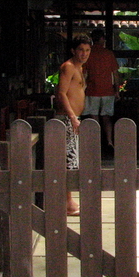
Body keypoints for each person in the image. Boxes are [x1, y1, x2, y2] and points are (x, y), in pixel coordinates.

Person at [56, 35, 91, 216]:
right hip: (67, 119)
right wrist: (71, 116)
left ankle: (69, 200)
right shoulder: (68, 67)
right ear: (73, 50)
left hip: (74, 117)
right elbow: (61, 93)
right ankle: (67, 202)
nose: (84, 54)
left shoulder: (79, 68)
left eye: (87, 50)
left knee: (72, 159)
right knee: (68, 161)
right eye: (81, 50)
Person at [82, 28, 121, 150]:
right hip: (107, 91)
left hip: (92, 91)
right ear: (102, 39)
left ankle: (96, 142)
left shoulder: (88, 54)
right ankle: (109, 141)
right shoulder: (109, 54)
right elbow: (115, 74)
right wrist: (117, 91)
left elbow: (84, 75)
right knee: (107, 118)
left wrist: (81, 90)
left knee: (94, 117)